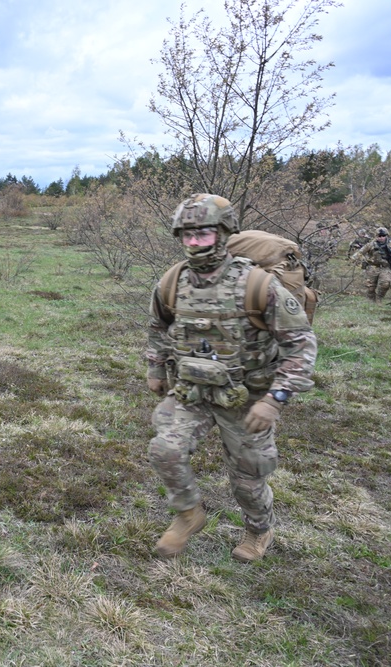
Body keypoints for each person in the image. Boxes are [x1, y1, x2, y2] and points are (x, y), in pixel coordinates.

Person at [145, 194, 317, 563]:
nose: (193, 242)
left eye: (203, 234)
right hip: (192, 391)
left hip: (247, 399)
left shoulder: (259, 286)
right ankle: (189, 514)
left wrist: (275, 399)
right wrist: (156, 366)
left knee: (247, 479)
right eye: (186, 235)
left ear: (223, 233)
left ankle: (259, 530)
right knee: (165, 450)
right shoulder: (173, 281)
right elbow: (159, 326)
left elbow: (301, 345)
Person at [351, 227, 391, 302]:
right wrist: (354, 258)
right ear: (376, 236)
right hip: (372, 268)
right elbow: (361, 252)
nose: (381, 238)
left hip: (385, 268)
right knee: (370, 287)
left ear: (387, 236)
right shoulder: (371, 244)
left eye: (383, 236)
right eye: (379, 236)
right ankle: (370, 301)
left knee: (385, 284)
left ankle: (379, 299)